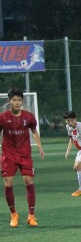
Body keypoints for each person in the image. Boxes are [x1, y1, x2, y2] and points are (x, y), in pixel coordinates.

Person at [0, 87, 45, 227]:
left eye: (19, 100)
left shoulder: (28, 116)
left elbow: (34, 131)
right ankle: (14, 214)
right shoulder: (3, 117)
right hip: (8, 154)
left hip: (25, 154)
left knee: (29, 182)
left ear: (22, 101)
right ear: (9, 101)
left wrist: (39, 146)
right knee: (8, 183)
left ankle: (31, 216)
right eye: (14, 100)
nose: (17, 102)